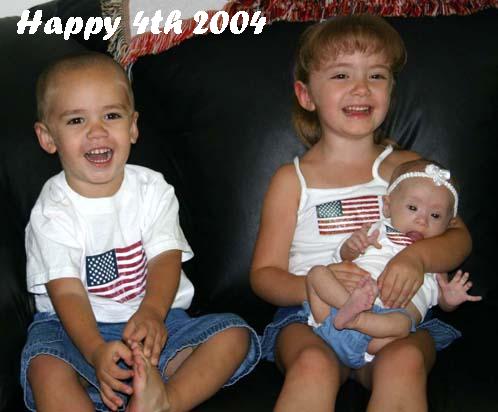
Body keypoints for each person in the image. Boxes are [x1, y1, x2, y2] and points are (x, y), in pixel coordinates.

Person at [250, 14, 472, 412]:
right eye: (341, 75)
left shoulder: (406, 170)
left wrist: (417, 258)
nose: (361, 88)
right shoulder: (291, 180)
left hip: (393, 317)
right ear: (306, 95)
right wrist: (316, 286)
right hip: (311, 316)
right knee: (311, 365)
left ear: (391, 91)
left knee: (406, 361)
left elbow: (459, 237)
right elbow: (264, 274)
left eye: (377, 75)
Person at [20, 52, 260, 412]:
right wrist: (95, 350)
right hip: (74, 330)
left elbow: (166, 258)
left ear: (133, 127)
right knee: (45, 367)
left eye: (111, 116)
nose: (97, 131)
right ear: (47, 137)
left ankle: (164, 401)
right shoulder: (52, 211)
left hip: (157, 321)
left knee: (233, 336)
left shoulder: (152, 190)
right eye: (76, 120)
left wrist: (151, 312)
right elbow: (66, 290)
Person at [305, 159, 481, 369]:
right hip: (335, 309)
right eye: (413, 208)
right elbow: (342, 258)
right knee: (316, 273)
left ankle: (356, 319)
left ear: (449, 223)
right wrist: (351, 247)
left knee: (403, 325)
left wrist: (450, 300)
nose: (422, 220)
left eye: (435, 215)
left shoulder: (436, 257)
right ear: (388, 206)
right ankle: (351, 310)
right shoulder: (378, 229)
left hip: (379, 332)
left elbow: (440, 301)